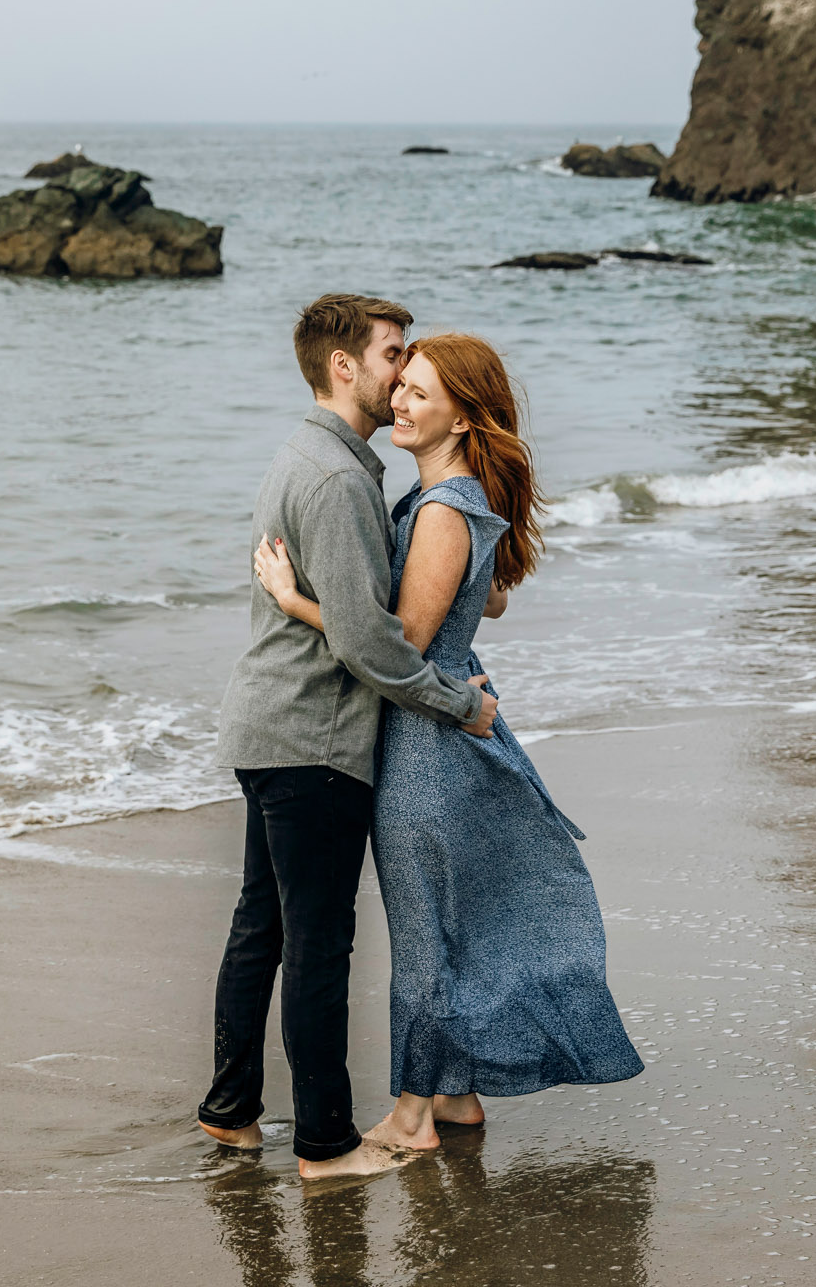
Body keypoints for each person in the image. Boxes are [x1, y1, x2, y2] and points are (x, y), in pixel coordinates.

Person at [254, 331, 643, 1154]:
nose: (398, 400)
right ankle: (459, 1095)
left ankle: (409, 1117)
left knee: (425, 927)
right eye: (401, 387)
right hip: (442, 725)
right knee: (448, 921)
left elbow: (396, 643)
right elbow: (486, 600)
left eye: (419, 393)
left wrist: (293, 601)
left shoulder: (440, 509)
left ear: (462, 418)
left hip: (425, 749)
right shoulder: (452, 503)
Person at [201, 294, 500, 1181]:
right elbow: (375, 644)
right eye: (392, 355)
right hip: (314, 740)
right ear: (345, 366)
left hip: (270, 728)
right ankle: (326, 1146)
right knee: (319, 943)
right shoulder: (337, 480)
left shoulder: (317, 458)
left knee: (263, 926)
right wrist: (460, 704)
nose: (402, 373)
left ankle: (230, 1110)